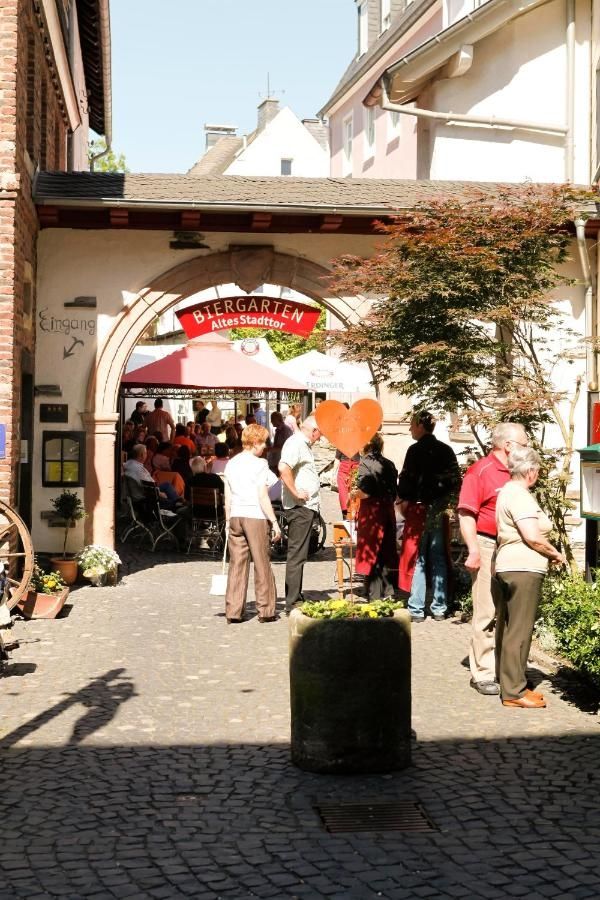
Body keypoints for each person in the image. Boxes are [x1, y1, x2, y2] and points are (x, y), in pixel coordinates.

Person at [458, 422, 529, 696]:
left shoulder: (516, 471)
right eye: (524, 444)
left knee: (508, 611)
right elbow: (466, 514)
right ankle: (484, 673)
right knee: (486, 610)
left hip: (513, 546)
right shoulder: (480, 472)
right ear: (507, 445)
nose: (527, 448)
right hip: (488, 544)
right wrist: (474, 550)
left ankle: (504, 669)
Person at [494, 446, 566, 708]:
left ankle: (513, 684)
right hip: (522, 568)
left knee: (509, 628)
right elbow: (532, 537)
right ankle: (514, 692)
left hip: (509, 565)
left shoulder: (506, 491)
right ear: (531, 471)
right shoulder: (520, 495)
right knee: (520, 630)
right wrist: (555, 554)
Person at [397, 410, 461, 622]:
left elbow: (406, 480)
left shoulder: (414, 451)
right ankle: (439, 607)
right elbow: (455, 479)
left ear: (420, 426)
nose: (410, 429)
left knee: (419, 558)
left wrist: (404, 499)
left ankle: (416, 608)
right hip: (439, 508)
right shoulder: (446, 450)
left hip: (418, 508)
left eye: (412, 425)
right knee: (438, 557)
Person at [224, 424, 282, 623]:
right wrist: (274, 521)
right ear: (255, 442)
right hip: (255, 515)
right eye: (263, 442)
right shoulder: (260, 464)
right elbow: (262, 496)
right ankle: (266, 610)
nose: (265, 446)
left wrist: (227, 519)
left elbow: (228, 496)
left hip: (236, 515)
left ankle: (233, 611)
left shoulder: (231, 463)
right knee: (261, 562)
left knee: (237, 564)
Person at [278, 415, 322, 613]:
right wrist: (295, 492)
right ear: (314, 431)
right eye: (320, 434)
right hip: (299, 508)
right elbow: (283, 468)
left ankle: (295, 596)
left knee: (300, 554)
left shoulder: (302, 444)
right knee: (297, 554)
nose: (320, 438)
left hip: (304, 507)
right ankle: (292, 600)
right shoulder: (296, 443)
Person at [352, 433, 399, 600]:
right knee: (384, 551)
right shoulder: (389, 464)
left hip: (372, 513)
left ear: (368, 445)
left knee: (372, 552)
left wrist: (354, 494)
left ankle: (375, 595)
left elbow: (365, 492)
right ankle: (388, 591)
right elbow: (394, 492)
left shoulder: (365, 462)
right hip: (388, 511)